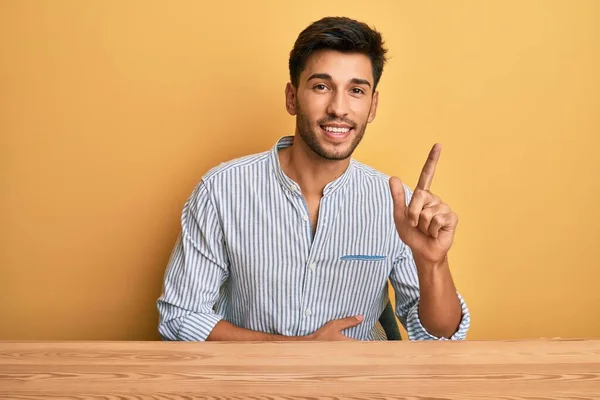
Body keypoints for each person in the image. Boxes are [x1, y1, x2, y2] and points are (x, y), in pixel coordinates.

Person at [157, 16, 470, 341]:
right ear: (292, 98)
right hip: (257, 385)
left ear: (372, 106)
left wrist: (434, 262)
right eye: (322, 86)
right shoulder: (221, 191)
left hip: (359, 387)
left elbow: (440, 338)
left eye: (356, 90)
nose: (338, 108)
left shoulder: (397, 206)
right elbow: (182, 317)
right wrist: (295, 350)